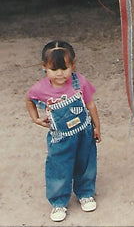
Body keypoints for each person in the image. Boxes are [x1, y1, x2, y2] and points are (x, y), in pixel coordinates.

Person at [26, 40, 101, 222]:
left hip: (84, 133)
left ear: (73, 66)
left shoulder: (79, 82)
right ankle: (58, 202)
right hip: (60, 138)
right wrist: (35, 118)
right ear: (44, 67)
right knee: (59, 167)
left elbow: (90, 104)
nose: (60, 74)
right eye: (53, 69)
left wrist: (97, 126)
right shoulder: (41, 89)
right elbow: (29, 99)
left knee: (86, 164)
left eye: (64, 68)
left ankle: (85, 193)